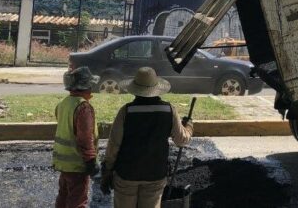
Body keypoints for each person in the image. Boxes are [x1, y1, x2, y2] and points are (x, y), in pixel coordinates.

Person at [102, 67, 194, 208]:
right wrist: (188, 127)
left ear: (135, 89)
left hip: (127, 173)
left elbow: (114, 144)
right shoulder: (169, 110)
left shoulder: (126, 111)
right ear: (156, 89)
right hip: (155, 174)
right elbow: (181, 140)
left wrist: (107, 169)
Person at [53, 66, 100, 208]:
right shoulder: (83, 107)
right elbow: (85, 139)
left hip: (63, 162)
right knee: (77, 200)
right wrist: (91, 162)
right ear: (85, 86)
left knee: (64, 196)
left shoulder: (63, 104)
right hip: (77, 164)